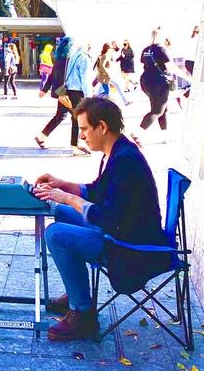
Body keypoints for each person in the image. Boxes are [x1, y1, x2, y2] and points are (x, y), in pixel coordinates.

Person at [32, 97, 169, 341]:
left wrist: (68, 198)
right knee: (62, 213)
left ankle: (82, 314)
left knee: (56, 233)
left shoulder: (125, 159)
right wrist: (63, 184)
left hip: (130, 247)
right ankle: (78, 294)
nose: (82, 136)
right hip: (121, 232)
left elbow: (108, 216)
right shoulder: (119, 150)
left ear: (102, 127)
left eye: (84, 129)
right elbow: (98, 190)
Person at [35, 35, 92, 153]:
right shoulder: (70, 59)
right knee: (77, 117)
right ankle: (75, 146)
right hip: (69, 92)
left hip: (63, 91)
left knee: (60, 116)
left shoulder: (59, 58)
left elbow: (52, 75)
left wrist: (45, 90)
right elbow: (63, 77)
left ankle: (42, 136)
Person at [138, 27, 175, 132]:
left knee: (163, 108)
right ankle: (137, 134)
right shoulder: (162, 49)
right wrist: (187, 78)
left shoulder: (146, 50)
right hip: (159, 83)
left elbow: (144, 64)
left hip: (146, 82)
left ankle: (165, 134)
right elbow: (171, 67)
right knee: (157, 111)